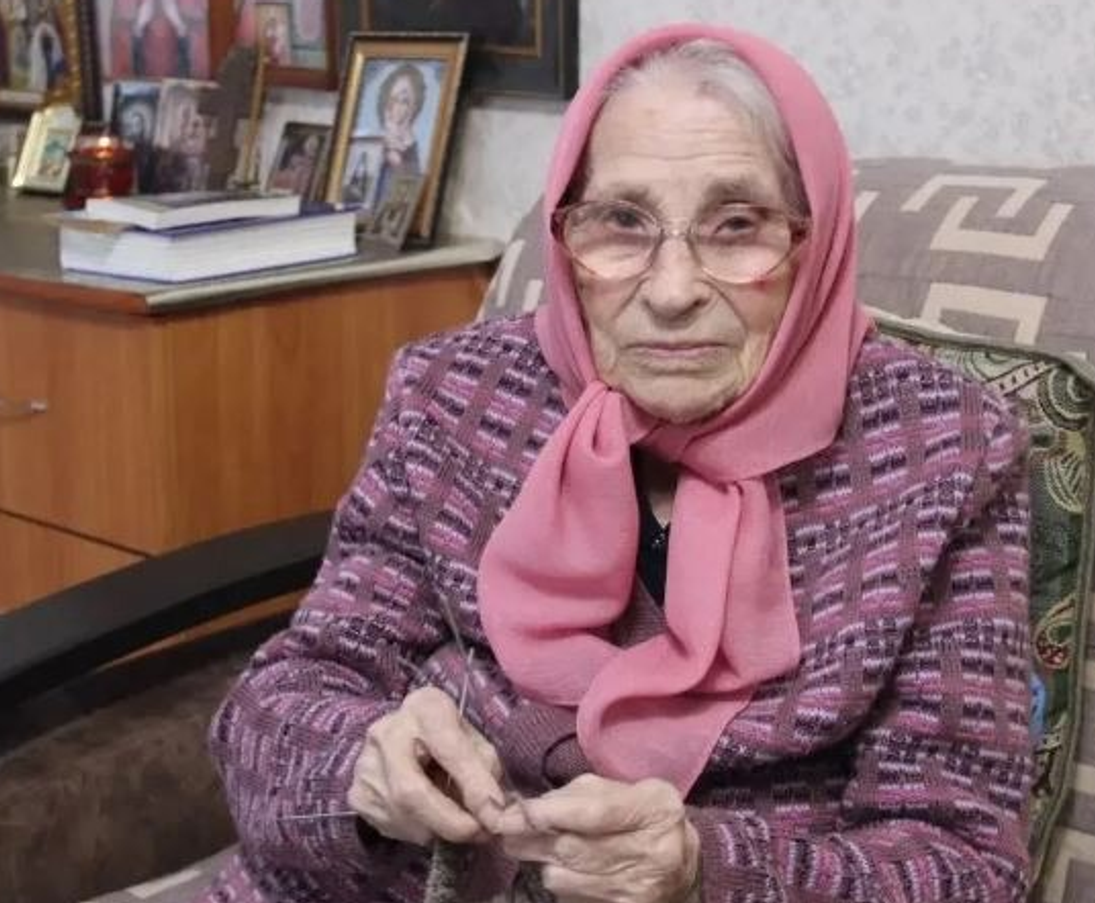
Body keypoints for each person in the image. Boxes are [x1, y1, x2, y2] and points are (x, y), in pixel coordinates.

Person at [203, 23, 1035, 903]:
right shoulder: (452, 397)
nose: (673, 291)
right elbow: (278, 707)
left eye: (737, 226)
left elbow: (964, 865)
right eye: (622, 224)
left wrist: (707, 869)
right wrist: (361, 767)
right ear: (566, 240)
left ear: (813, 244)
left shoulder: (942, 451)